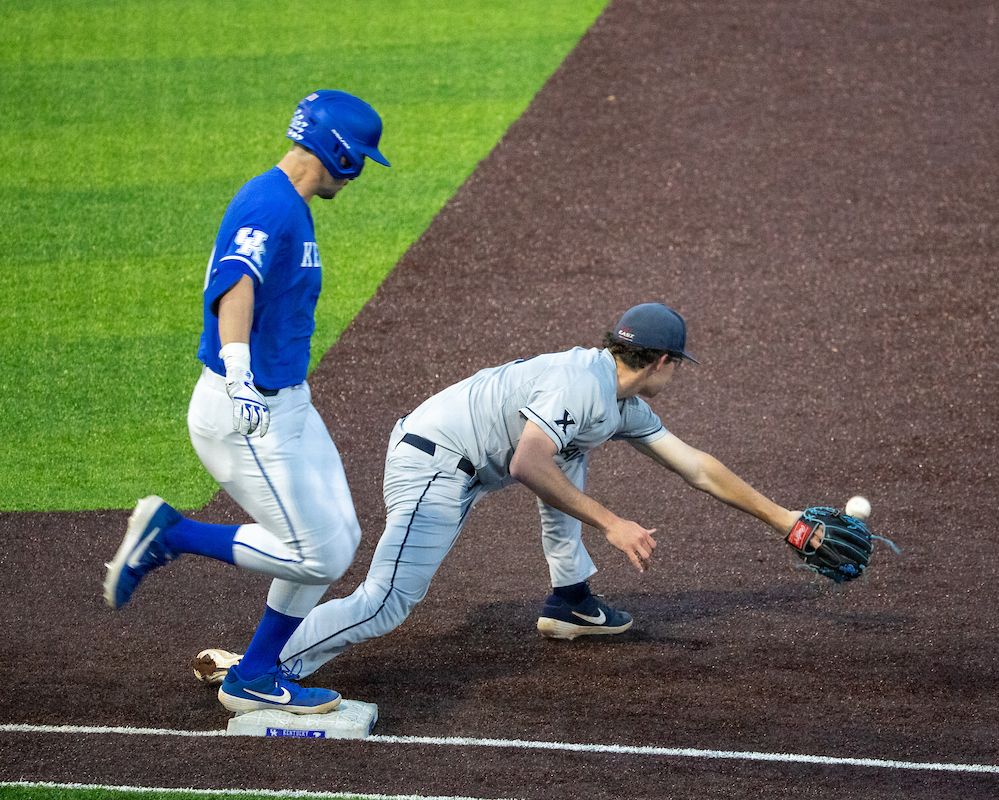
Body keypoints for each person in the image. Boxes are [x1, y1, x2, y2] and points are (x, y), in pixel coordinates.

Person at [196, 302, 823, 683]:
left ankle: (570, 599)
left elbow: (697, 467)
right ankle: (262, 672)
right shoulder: (583, 387)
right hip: (434, 463)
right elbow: (527, 463)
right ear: (662, 362)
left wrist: (785, 520)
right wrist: (613, 522)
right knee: (387, 600)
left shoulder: (615, 398)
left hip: (461, 459)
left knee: (571, 463)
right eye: (678, 366)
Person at [103, 90, 391, 715]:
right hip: (245, 413)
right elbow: (236, 280)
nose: (362, 170)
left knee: (338, 536)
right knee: (322, 552)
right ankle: (171, 535)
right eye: (360, 157)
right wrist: (237, 370)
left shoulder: (291, 203)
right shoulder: (271, 204)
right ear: (339, 152)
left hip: (287, 405)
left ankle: (256, 673)